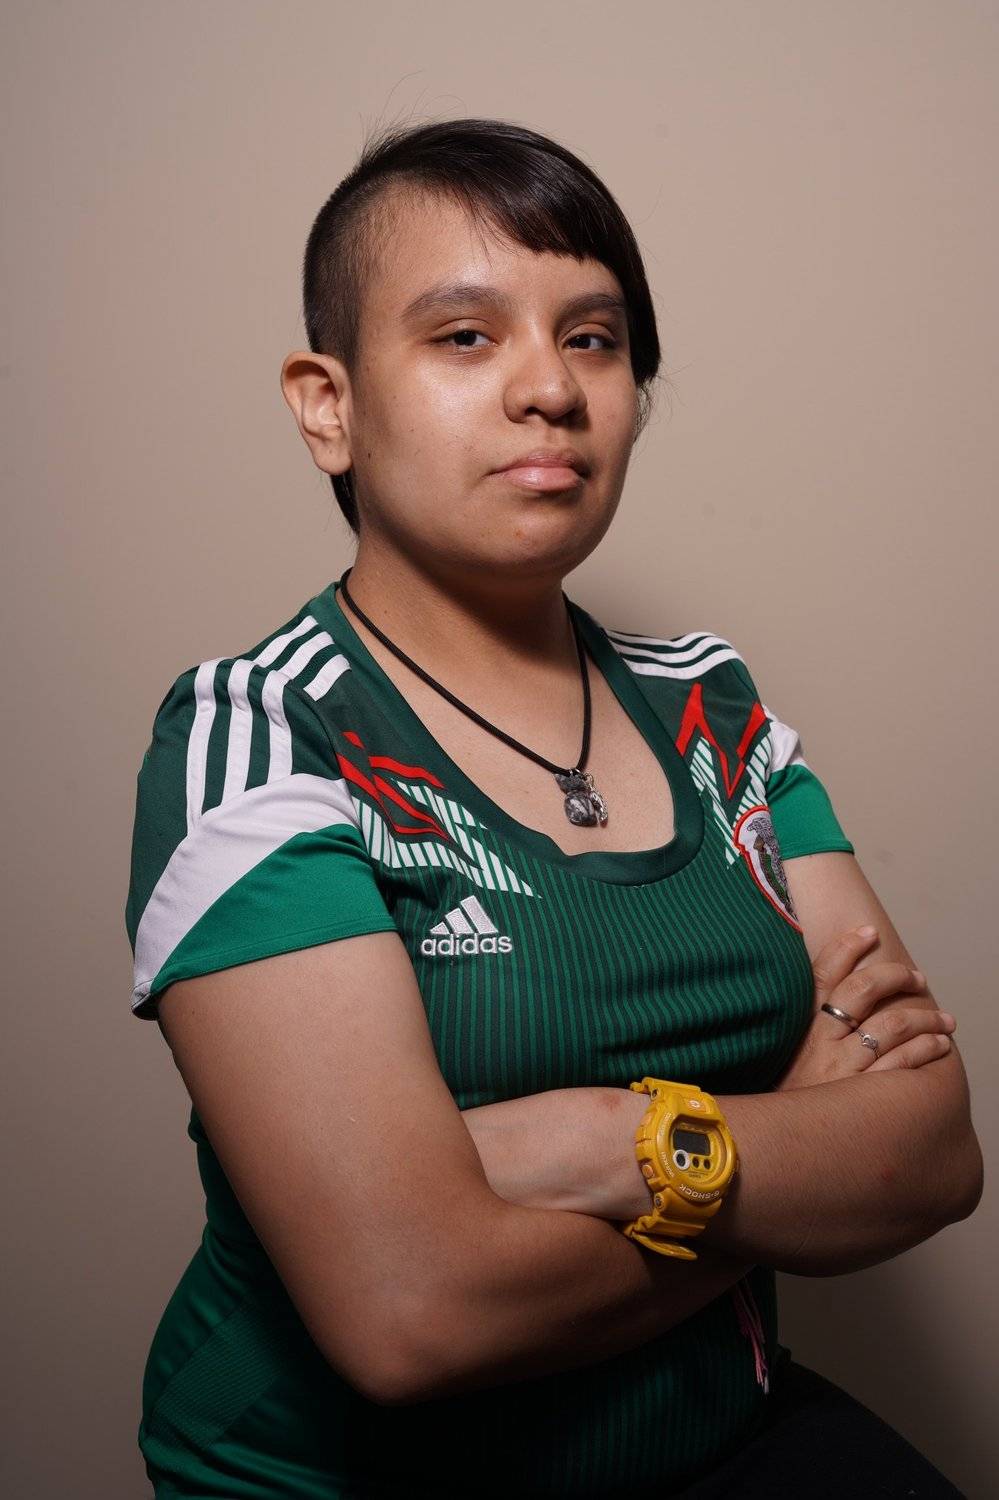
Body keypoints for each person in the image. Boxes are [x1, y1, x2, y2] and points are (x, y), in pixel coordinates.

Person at [124, 117, 981, 1498]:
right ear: (328, 404)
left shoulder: (712, 705)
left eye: (594, 338)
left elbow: (931, 1155)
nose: (550, 389)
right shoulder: (259, 734)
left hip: (722, 1434)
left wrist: (601, 1146)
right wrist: (783, 1160)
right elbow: (413, 1312)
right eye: (465, 336)